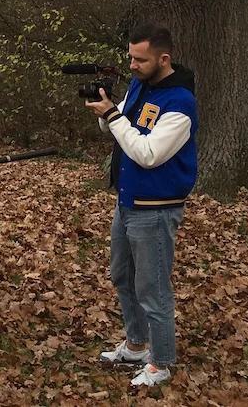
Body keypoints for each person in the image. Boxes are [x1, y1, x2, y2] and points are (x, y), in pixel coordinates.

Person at [85, 22, 197, 388]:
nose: (132, 65)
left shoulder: (180, 103)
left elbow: (148, 154)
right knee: (122, 275)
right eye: (130, 57)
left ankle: (161, 362)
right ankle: (135, 344)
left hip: (157, 207)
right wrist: (107, 110)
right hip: (128, 201)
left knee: (153, 288)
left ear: (163, 59)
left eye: (140, 59)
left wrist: (114, 117)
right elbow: (116, 129)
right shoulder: (140, 86)